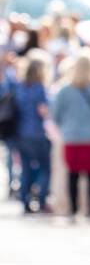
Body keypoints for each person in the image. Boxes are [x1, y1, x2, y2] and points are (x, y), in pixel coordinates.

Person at [50, 48, 90, 221]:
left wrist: (67, 126)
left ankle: (72, 211)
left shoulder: (64, 90)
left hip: (72, 137)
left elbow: (55, 115)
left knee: (73, 174)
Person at [13, 50, 52, 213]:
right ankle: (41, 199)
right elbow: (43, 111)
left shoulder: (19, 87)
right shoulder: (39, 88)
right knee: (46, 168)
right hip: (36, 133)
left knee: (26, 169)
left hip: (21, 133)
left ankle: (24, 200)